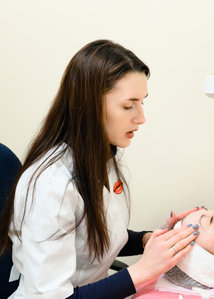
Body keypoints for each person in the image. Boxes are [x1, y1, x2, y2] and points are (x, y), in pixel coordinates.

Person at [0, 39, 201, 299]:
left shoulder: (104, 159)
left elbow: (92, 237)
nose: (141, 117)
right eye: (128, 105)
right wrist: (143, 270)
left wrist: (147, 240)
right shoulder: (51, 186)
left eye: (143, 102)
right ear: (91, 106)